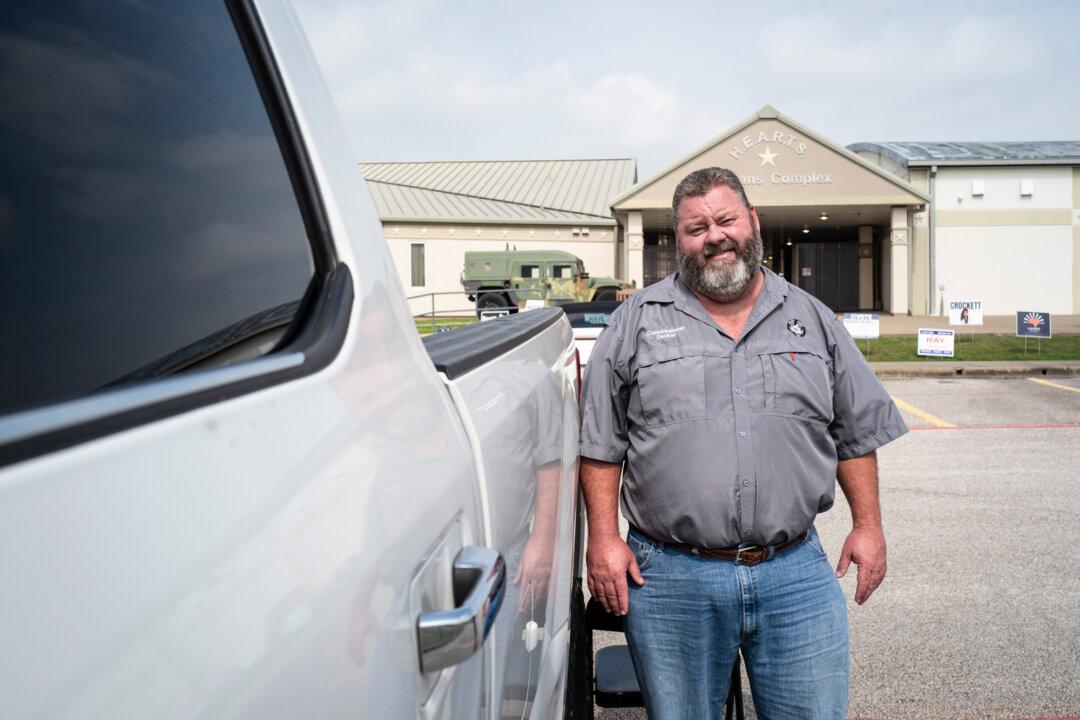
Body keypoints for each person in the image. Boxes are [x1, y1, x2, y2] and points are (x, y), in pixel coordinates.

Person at [578, 167, 908, 720]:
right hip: (671, 577)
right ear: (677, 240)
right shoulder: (635, 323)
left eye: (726, 219)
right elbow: (600, 442)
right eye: (696, 227)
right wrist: (604, 541)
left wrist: (868, 526)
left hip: (795, 573)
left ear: (752, 221)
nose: (714, 236)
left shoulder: (812, 318)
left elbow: (855, 432)